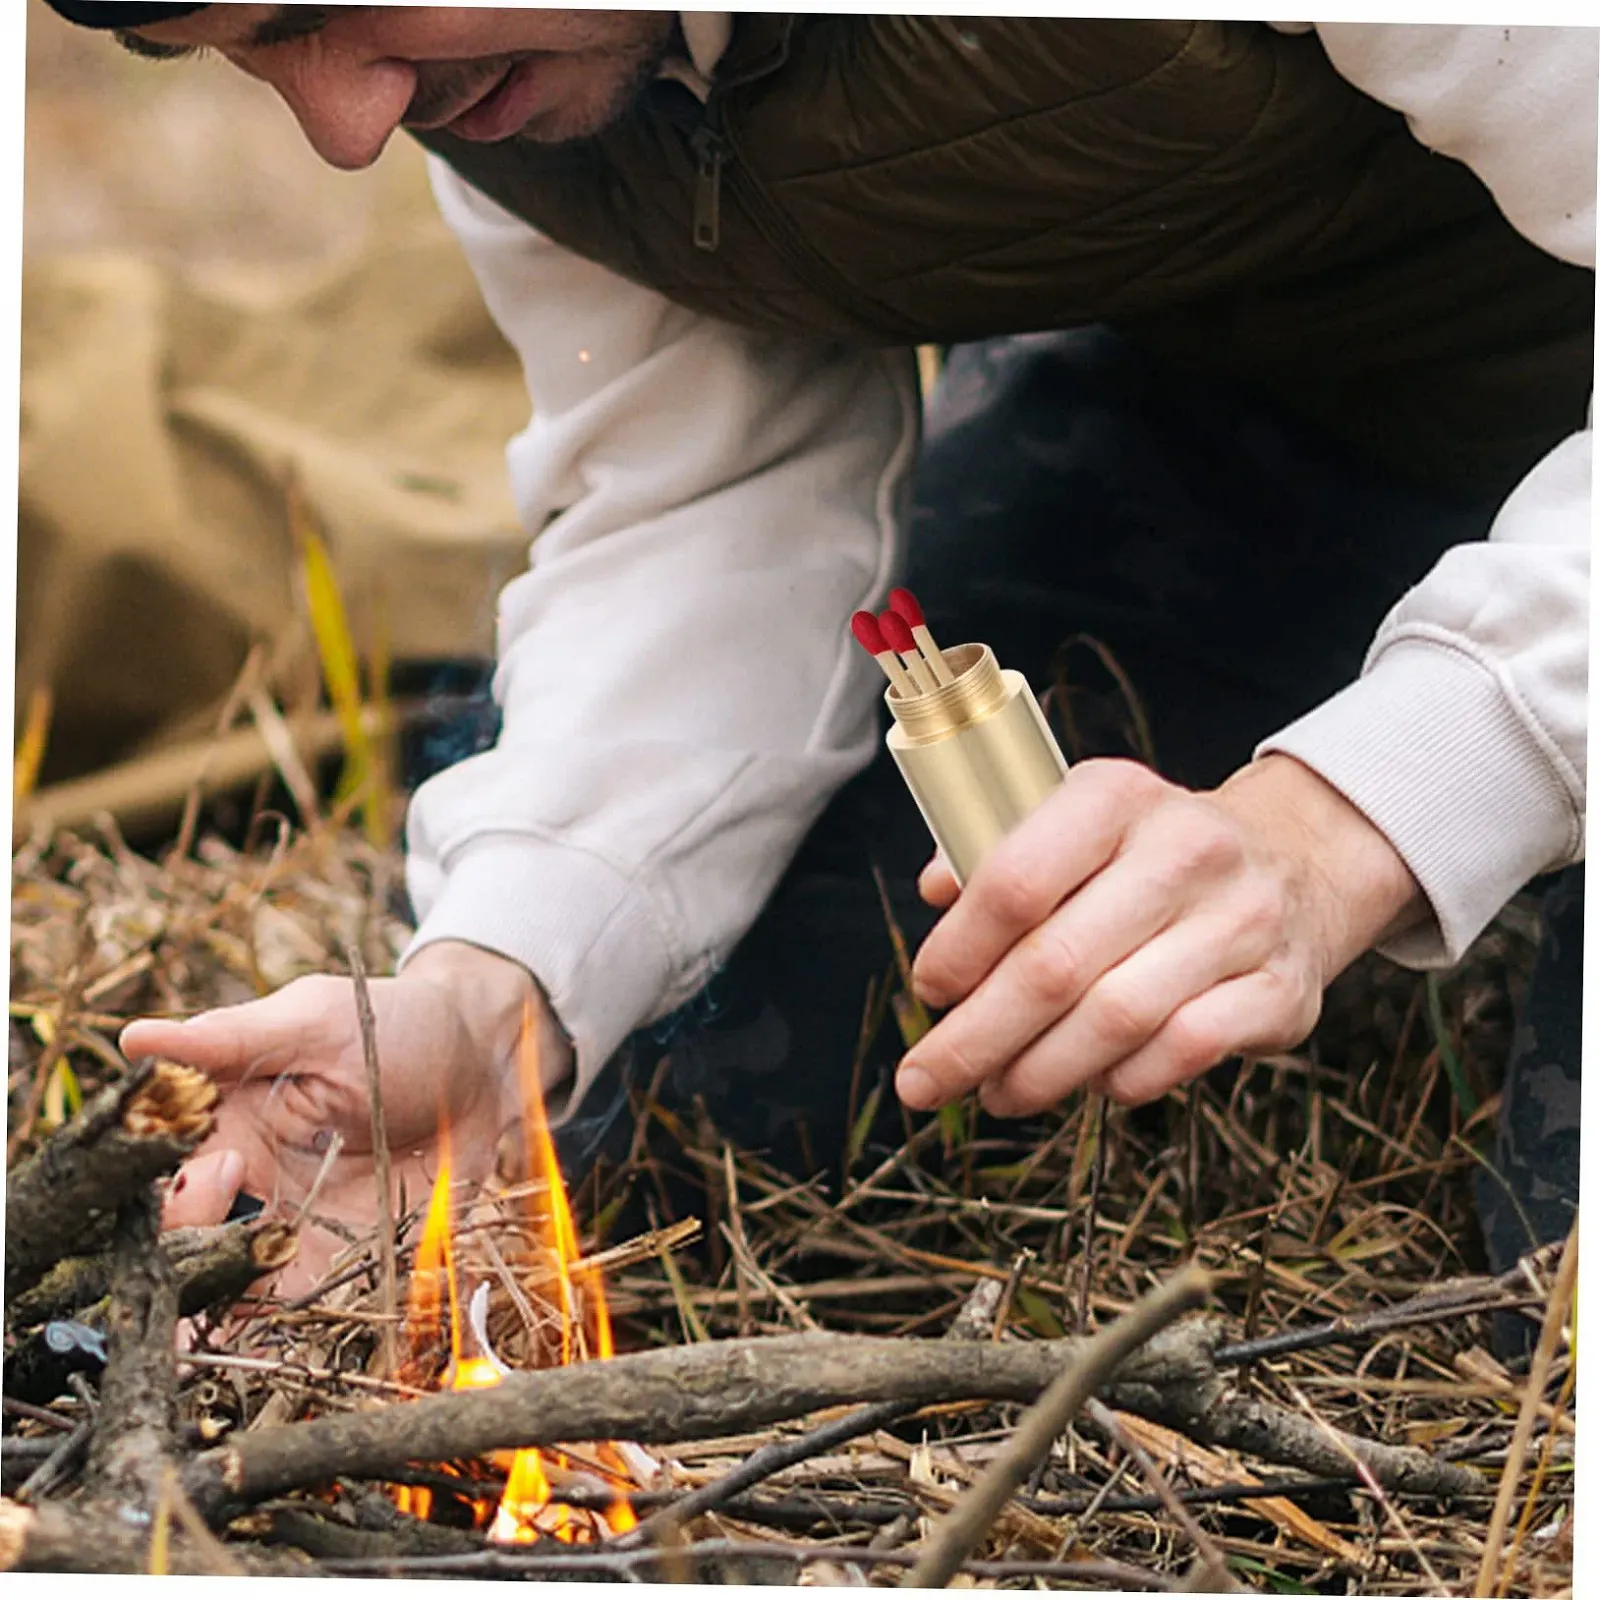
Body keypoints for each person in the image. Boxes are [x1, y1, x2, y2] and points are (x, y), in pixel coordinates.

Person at [45, 6, 1589, 1297]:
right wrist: (494, 988)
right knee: (712, 1119)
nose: (343, 123)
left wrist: (1346, 821)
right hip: (1293, 426)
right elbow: (704, 488)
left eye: (324, 1)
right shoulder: (506, 74)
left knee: (1560, 1319)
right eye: (245, 51)